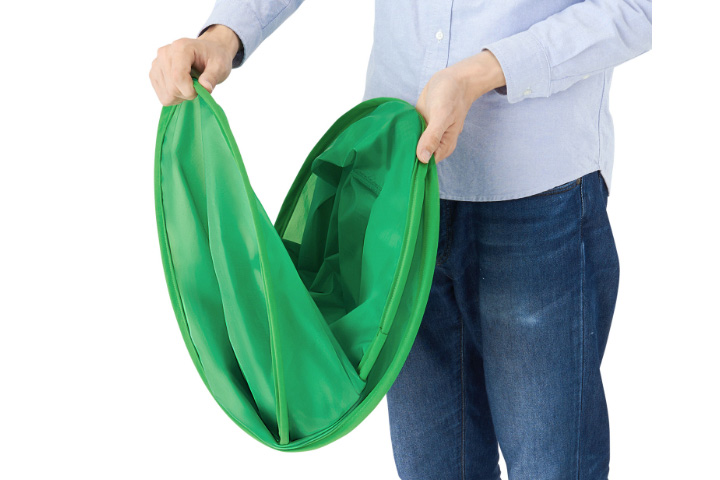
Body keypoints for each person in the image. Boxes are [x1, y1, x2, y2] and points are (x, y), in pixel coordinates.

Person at [150, 1, 652, 478]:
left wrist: (479, 73)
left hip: (536, 192)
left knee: (553, 467)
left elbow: (637, 11)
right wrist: (224, 34)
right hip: (396, 199)